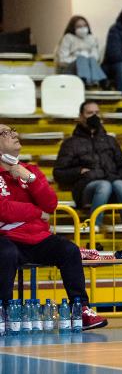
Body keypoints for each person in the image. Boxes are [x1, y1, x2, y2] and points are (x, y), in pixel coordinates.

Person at [0, 124, 108, 330]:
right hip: (6, 238)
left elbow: (50, 204)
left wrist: (29, 178)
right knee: (6, 253)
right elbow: (3, 209)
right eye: (5, 132)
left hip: (35, 238)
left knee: (68, 250)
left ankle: (81, 309)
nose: (14, 134)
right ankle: (3, 312)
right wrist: (36, 212)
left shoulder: (30, 170)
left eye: (13, 130)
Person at [53, 101, 122, 226]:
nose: (94, 116)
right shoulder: (71, 143)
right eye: (90, 113)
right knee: (104, 185)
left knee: (121, 184)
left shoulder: (110, 140)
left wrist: (116, 176)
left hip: (112, 186)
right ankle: (94, 228)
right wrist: (79, 172)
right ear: (81, 116)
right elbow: (58, 173)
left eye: (97, 112)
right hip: (86, 190)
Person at [55, 15, 107, 87]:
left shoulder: (92, 38)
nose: (83, 28)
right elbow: (62, 60)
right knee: (82, 58)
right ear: (73, 28)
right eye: (79, 26)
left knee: (91, 59)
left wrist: (87, 58)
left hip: (89, 67)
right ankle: (85, 80)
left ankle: (100, 80)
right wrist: (78, 58)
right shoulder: (68, 38)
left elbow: (96, 57)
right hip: (70, 68)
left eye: (85, 25)